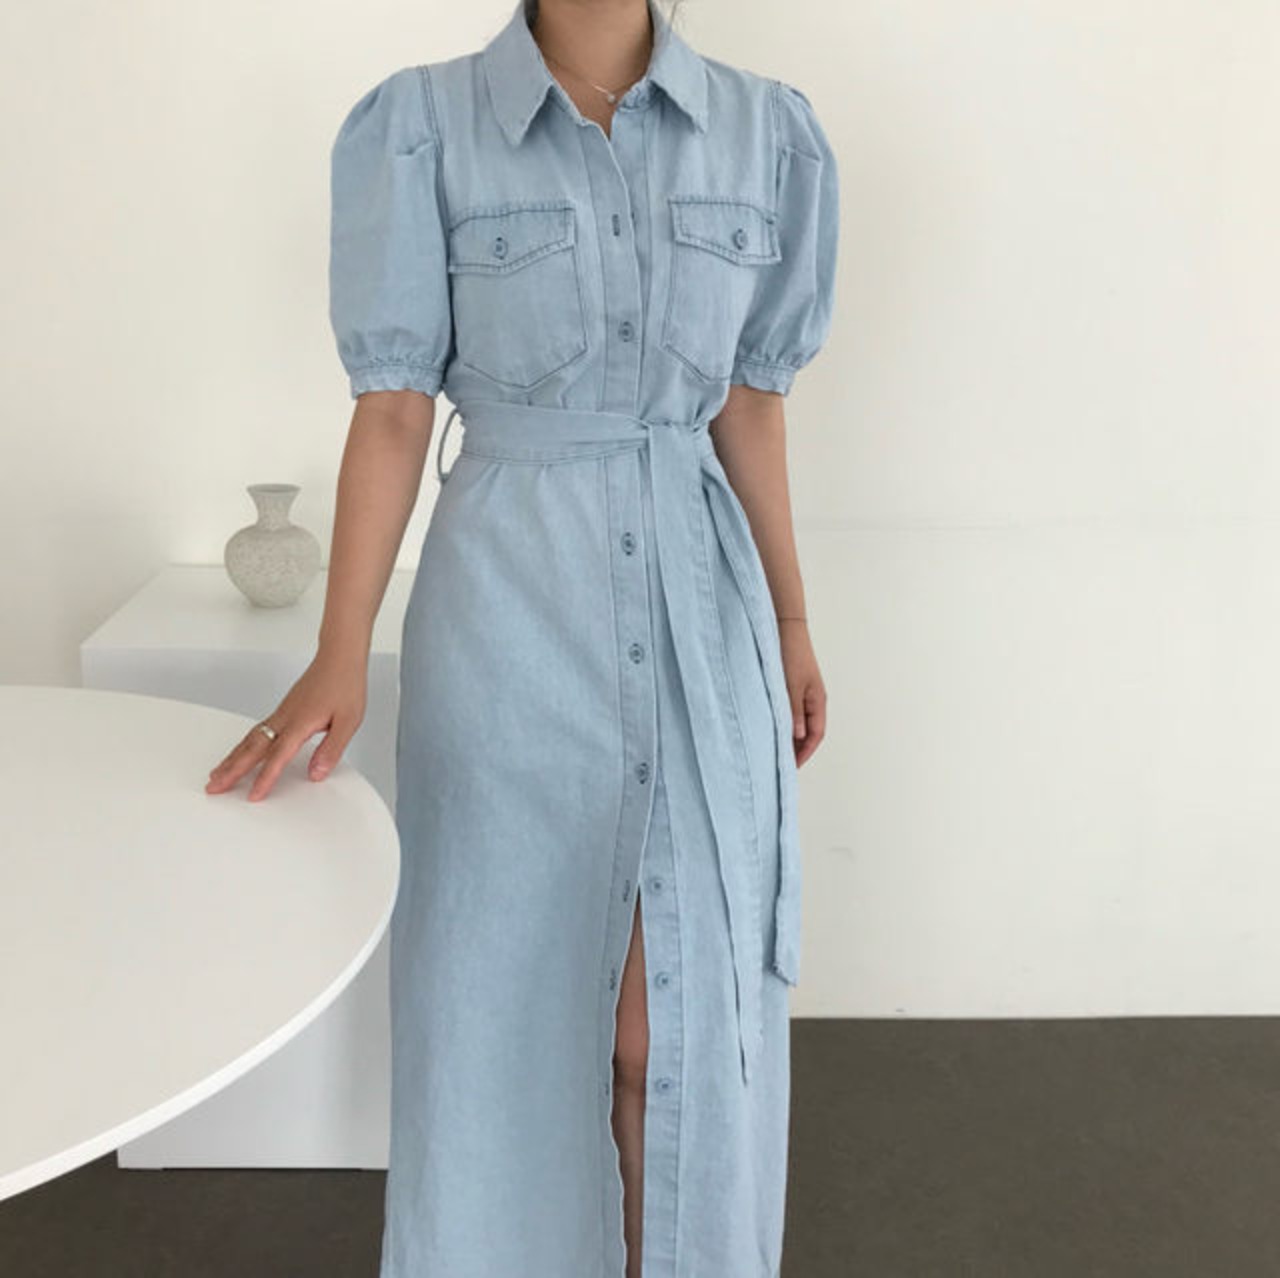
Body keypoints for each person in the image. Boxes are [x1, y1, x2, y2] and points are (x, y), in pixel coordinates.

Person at [207, 0, 838, 1272]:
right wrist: (341, 650)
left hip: (699, 614)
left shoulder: (767, 134)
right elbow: (394, 408)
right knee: (504, 1016)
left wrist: (788, 618)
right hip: (508, 621)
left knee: (661, 1033)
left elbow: (750, 406)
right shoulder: (421, 124)